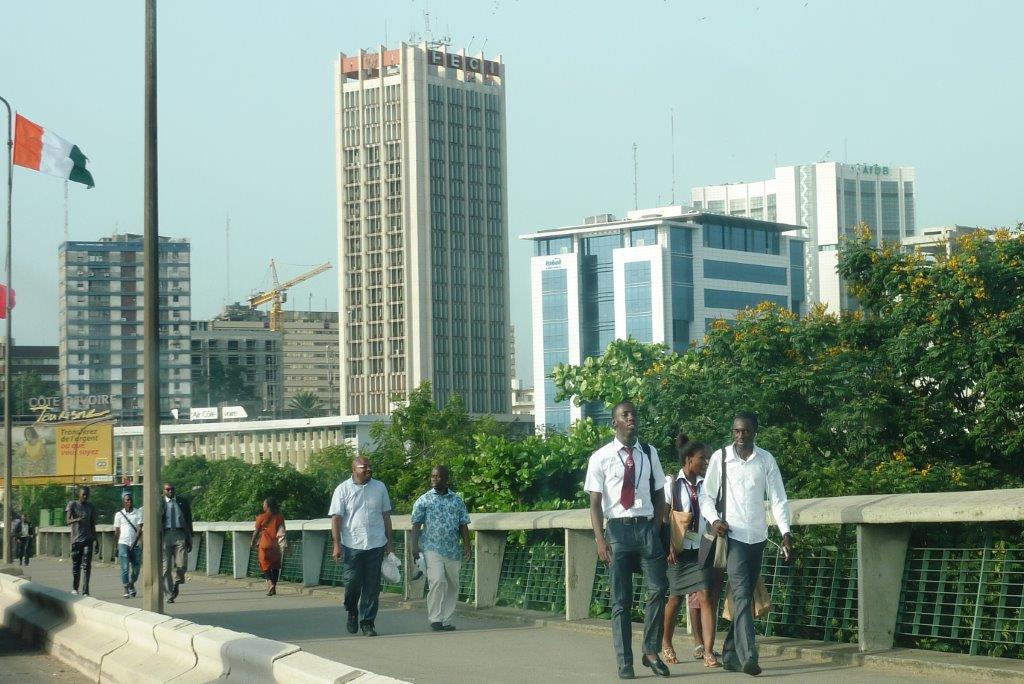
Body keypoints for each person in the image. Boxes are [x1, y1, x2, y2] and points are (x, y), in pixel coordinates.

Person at [700, 411, 793, 677]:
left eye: (746, 431)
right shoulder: (721, 458)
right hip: (733, 536)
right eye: (736, 431)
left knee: (746, 596)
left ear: (755, 431)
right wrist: (714, 519)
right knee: (741, 593)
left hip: (758, 537)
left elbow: (777, 498)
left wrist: (785, 532)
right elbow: (706, 496)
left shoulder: (765, 460)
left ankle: (729, 653)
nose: (740, 436)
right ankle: (749, 655)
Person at [585, 400, 671, 680]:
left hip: (647, 529)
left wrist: (657, 525)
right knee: (621, 601)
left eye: (634, 413)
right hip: (618, 531)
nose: (631, 418)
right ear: (615, 423)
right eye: (625, 415)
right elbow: (595, 504)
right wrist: (600, 540)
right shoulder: (600, 457)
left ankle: (650, 651)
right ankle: (625, 661)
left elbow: (660, 492)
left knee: (659, 587)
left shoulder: (648, 452)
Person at [660, 434, 722, 668]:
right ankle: (666, 643)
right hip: (678, 550)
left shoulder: (706, 485)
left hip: (701, 548)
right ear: (688, 460)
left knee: (706, 596)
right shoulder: (671, 484)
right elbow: (664, 516)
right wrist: (667, 545)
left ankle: (708, 651)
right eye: (702, 459)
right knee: (675, 599)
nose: (706, 463)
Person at [329, 456, 394, 637]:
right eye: (363, 467)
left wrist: (390, 544)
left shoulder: (380, 487)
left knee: (372, 586)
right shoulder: (342, 489)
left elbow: (386, 516)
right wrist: (336, 544)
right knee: (352, 583)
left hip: (376, 543)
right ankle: (352, 610)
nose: (368, 469)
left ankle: (368, 623)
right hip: (352, 544)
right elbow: (336, 518)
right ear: (354, 469)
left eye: (369, 466)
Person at [410, 465, 472, 632]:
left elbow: (463, 524)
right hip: (431, 547)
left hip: (452, 549)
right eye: (432, 476)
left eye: (438, 476)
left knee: (452, 585)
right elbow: (416, 524)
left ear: (446, 479)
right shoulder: (424, 500)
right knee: (437, 580)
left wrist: (467, 545)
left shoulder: (457, 500)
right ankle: (435, 619)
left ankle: (446, 620)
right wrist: (414, 547)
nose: (434, 479)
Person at [159, 482, 193, 604]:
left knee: (182, 564)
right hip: (165, 536)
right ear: (163, 491)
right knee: (165, 568)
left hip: (180, 535)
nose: (170, 491)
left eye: (172, 489)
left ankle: (177, 583)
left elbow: (189, 520)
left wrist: (190, 538)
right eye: (168, 489)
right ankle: (169, 595)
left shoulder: (182, 502)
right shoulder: (160, 503)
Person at [251, 497, 286, 596]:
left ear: (268, 506)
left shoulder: (261, 517)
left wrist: (252, 542)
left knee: (264, 565)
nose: (263, 505)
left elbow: (256, 532)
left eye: (264, 504)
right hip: (276, 545)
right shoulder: (280, 517)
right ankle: (274, 587)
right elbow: (282, 530)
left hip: (265, 544)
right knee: (275, 566)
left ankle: (270, 583)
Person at [65, 486, 97, 595]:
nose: (85, 496)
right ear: (79, 494)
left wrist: (96, 539)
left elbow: (93, 524)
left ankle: (86, 590)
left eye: (87, 495)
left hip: (88, 538)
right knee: (76, 566)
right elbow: (67, 521)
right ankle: (75, 588)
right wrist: (77, 519)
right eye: (83, 494)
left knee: (87, 566)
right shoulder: (72, 505)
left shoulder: (91, 506)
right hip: (76, 540)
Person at [113, 492, 144, 598]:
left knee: (136, 568)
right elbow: (117, 532)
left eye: (130, 499)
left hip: (135, 544)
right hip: (123, 543)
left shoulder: (138, 513)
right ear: (123, 501)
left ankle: (131, 584)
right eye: (127, 500)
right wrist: (115, 547)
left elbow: (140, 529)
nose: (129, 501)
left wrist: (135, 542)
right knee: (125, 568)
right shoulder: (119, 515)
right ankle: (126, 588)